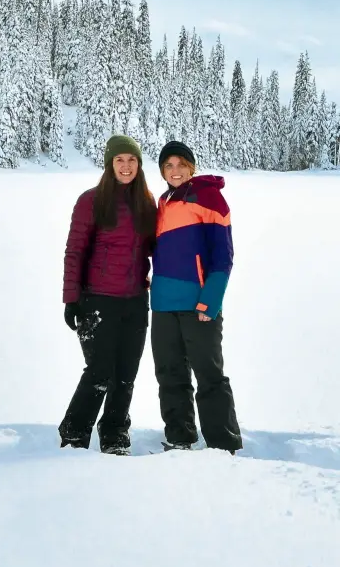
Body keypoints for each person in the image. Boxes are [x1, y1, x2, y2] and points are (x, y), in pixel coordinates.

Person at [59, 135, 157, 455]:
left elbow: (158, 249)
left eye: (131, 160)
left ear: (139, 165)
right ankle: (74, 432)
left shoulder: (147, 202)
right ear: (109, 164)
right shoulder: (91, 201)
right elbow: (74, 252)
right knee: (101, 372)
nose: (126, 166)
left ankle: (114, 432)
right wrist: (71, 298)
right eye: (119, 160)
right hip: (97, 299)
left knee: (126, 373)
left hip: (135, 301)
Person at [150, 140, 243, 454]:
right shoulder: (162, 201)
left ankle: (223, 443)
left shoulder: (209, 197)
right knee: (169, 373)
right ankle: (180, 437)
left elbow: (223, 256)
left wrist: (211, 301)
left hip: (198, 305)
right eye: (168, 165)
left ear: (191, 166)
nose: (175, 171)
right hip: (162, 303)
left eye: (180, 164)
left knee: (209, 374)